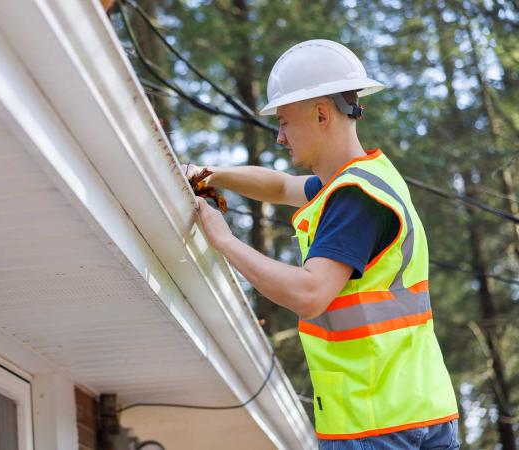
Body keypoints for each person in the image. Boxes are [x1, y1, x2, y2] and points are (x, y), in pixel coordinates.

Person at [183, 39, 460, 450]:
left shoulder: (353, 198)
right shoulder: (368, 177)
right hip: (422, 409)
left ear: (320, 114)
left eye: (284, 122)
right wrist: (212, 175)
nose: (279, 137)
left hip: (374, 423)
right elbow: (280, 185)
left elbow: (309, 293)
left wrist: (223, 240)